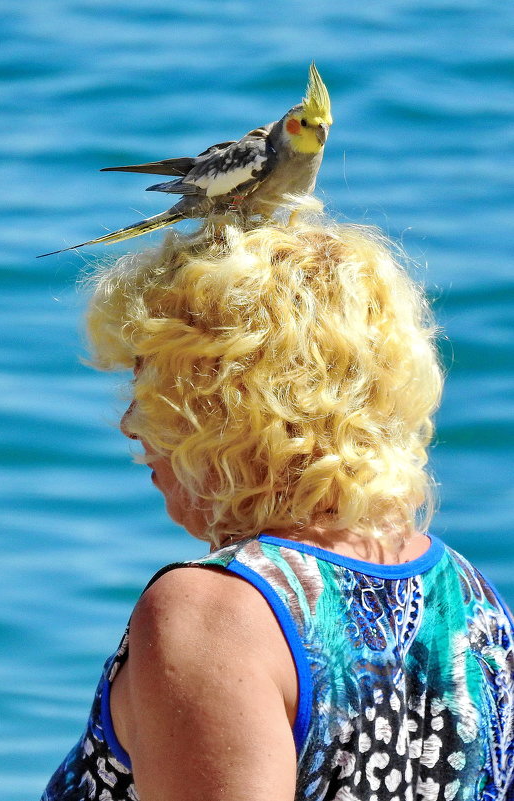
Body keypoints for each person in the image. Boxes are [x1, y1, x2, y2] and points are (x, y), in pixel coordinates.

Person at [41, 208, 514, 801]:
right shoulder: (470, 604)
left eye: (151, 382)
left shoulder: (214, 616)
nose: (132, 423)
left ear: (224, 407)